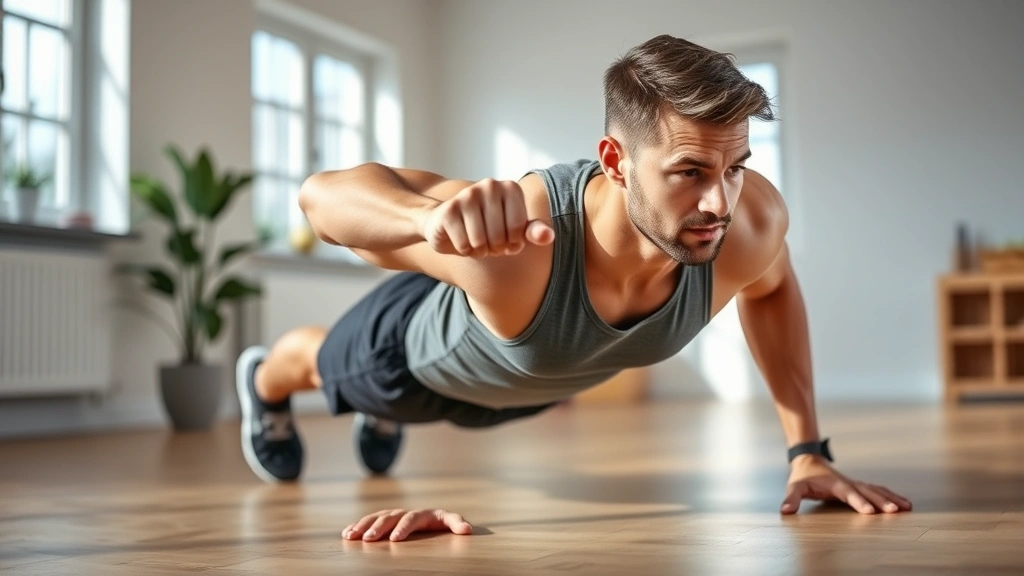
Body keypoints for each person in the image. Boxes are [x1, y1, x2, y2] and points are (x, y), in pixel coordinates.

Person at [234, 34, 912, 542]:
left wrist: (807, 453)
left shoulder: (749, 223)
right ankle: (264, 382)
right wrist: (425, 220)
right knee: (321, 368)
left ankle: (380, 415)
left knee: (466, 397)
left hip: (527, 389)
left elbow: (773, 290)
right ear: (615, 161)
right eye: (688, 171)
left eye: (735, 166)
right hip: (409, 360)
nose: (719, 202)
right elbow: (321, 201)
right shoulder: (528, 243)